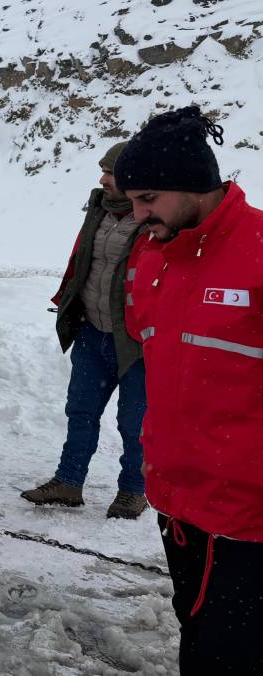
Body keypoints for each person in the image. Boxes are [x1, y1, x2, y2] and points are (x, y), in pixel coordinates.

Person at [117, 107, 263, 674]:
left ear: (192, 185)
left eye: (148, 198)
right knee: (197, 638)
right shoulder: (157, 258)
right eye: (132, 200)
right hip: (179, 505)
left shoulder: (256, 253)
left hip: (247, 518)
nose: (138, 214)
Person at [20, 143, 148, 518]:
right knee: (81, 410)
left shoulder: (153, 219)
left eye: (111, 172)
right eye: (103, 170)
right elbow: (81, 259)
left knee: (134, 421)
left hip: (135, 341)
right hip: (92, 332)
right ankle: (69, 482)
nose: (102, 178)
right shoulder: (99, 210)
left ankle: (133, 490)